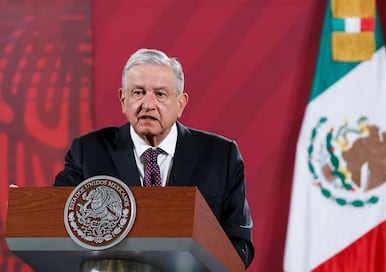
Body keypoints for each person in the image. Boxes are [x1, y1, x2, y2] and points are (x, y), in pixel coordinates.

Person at [54, 48, 254, 267]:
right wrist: (26, 207)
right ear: (123, 99)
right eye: (138, 93)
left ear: (181, 103)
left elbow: (238, 244)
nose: (148, 104)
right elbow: (56, 222)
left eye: (160, 94)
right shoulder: (88, 151)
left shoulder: (220, 156)